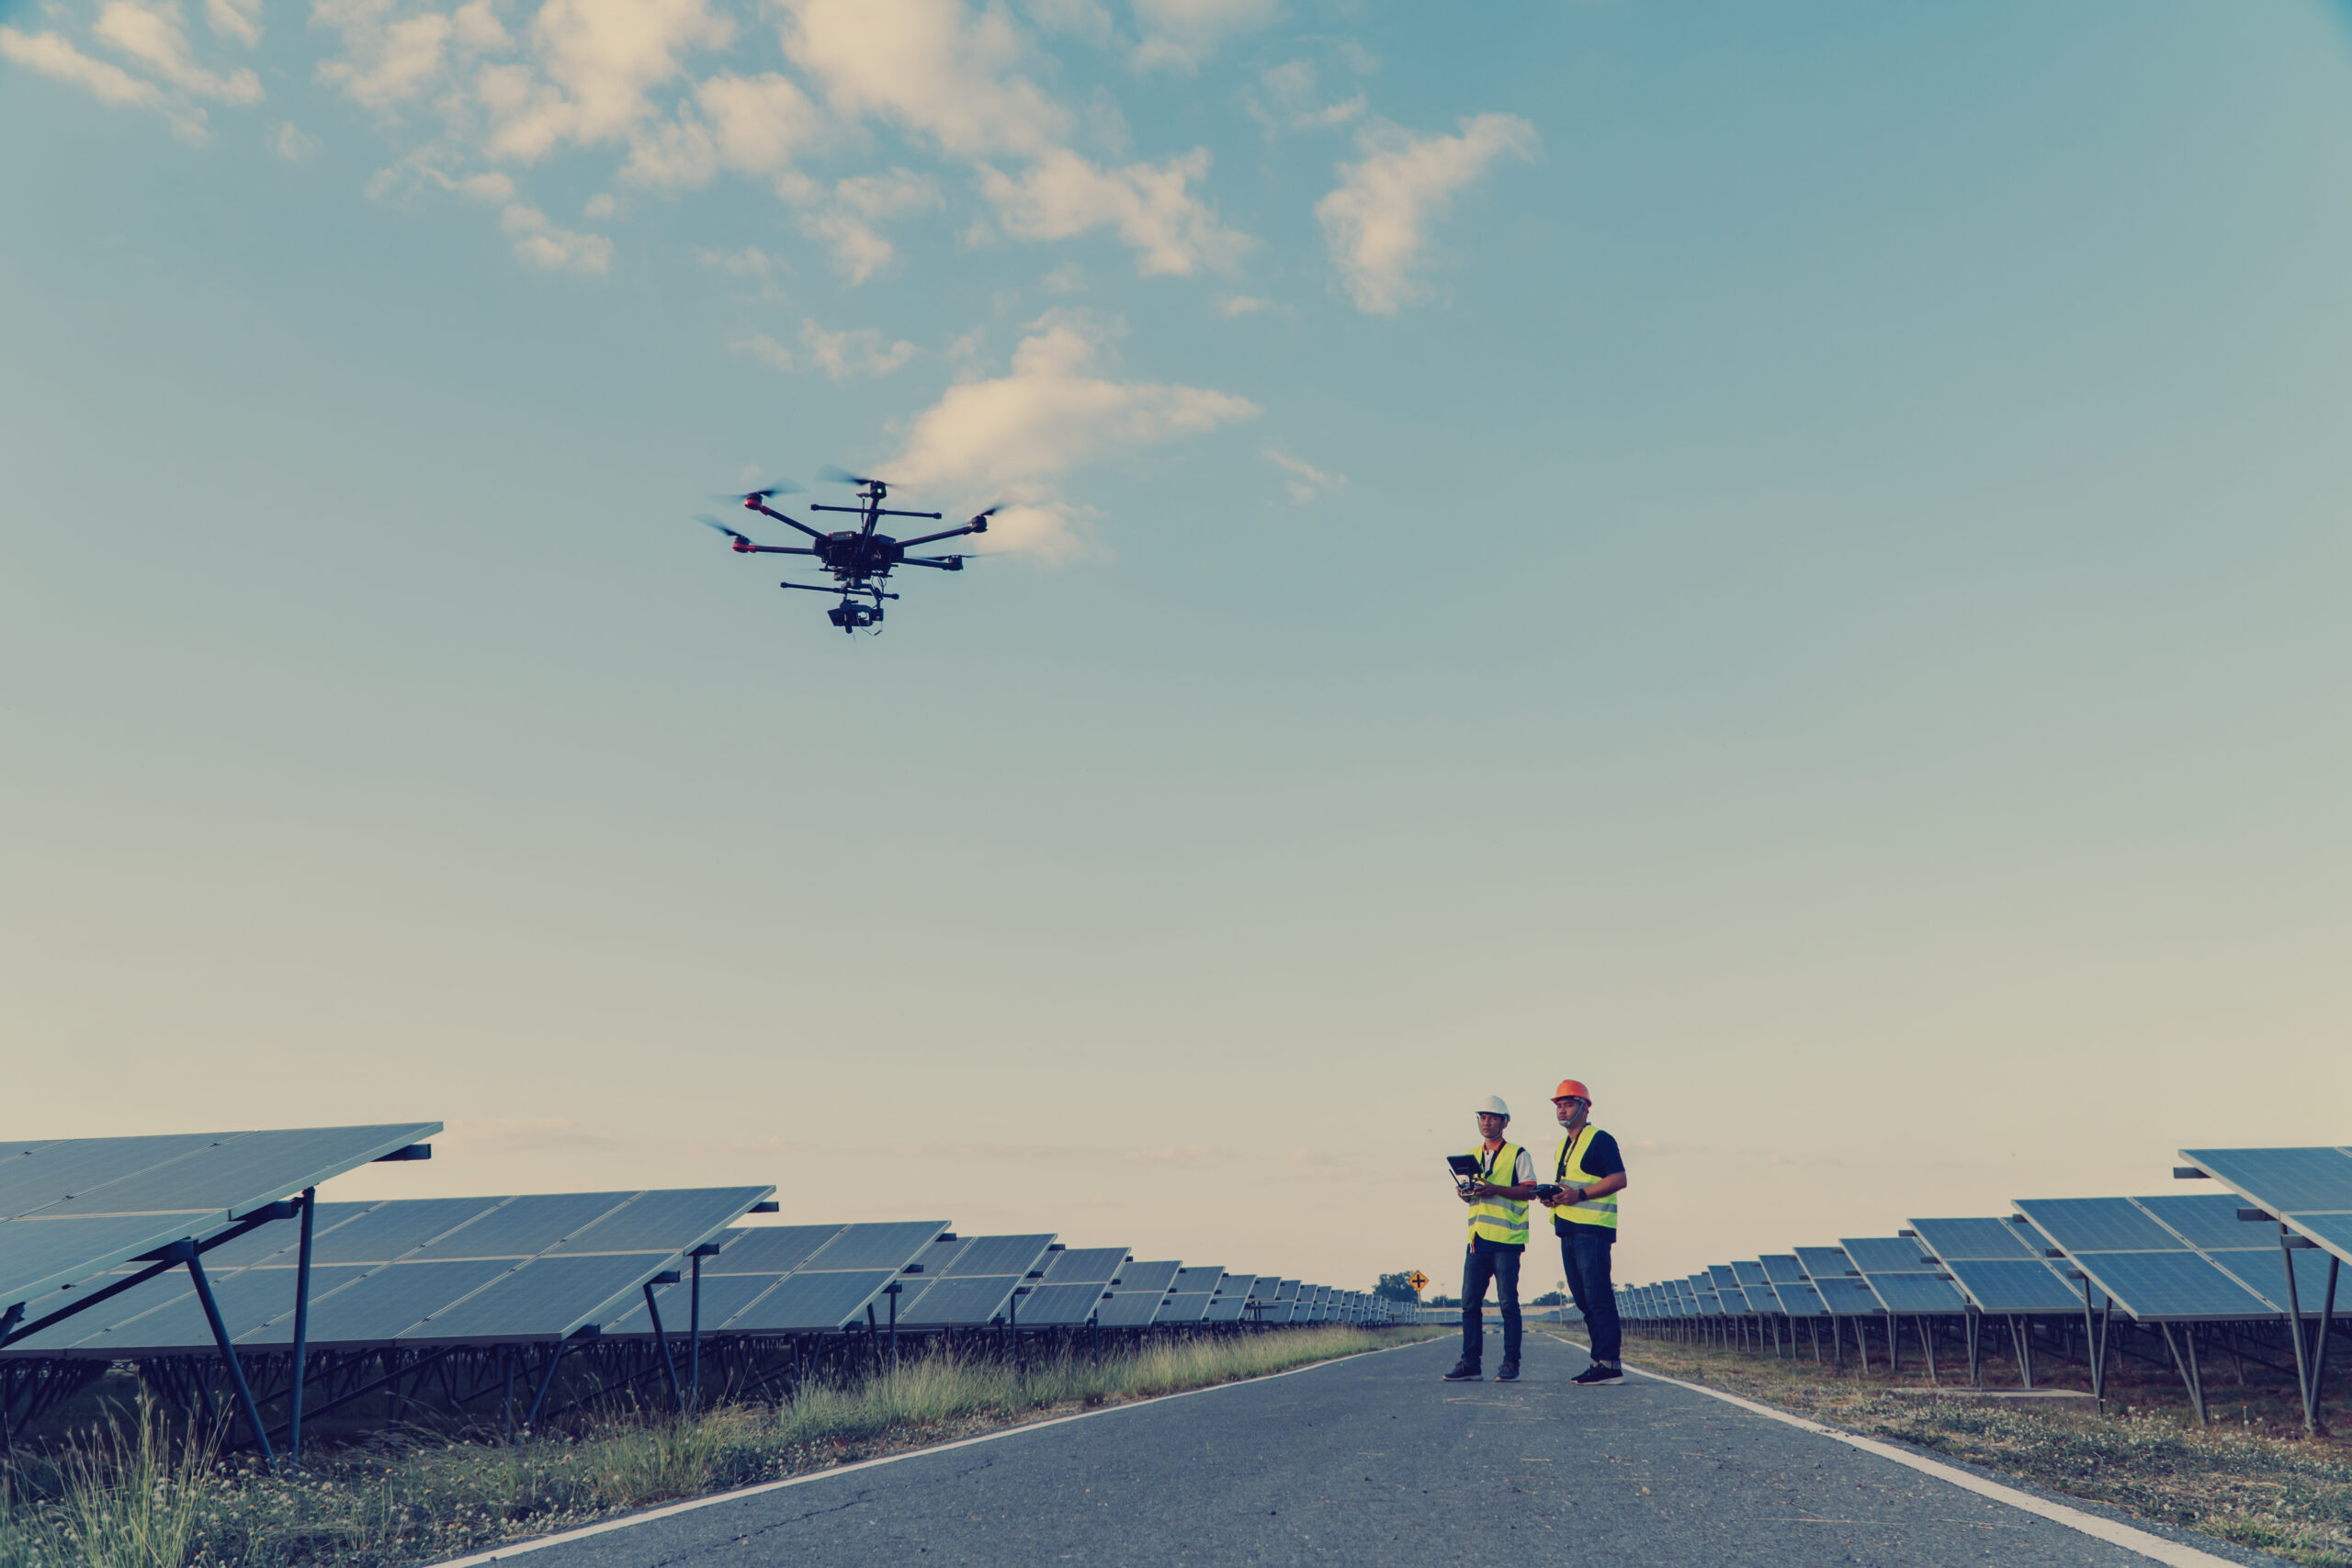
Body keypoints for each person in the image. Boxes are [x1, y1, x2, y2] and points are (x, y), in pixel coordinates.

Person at [1444, 1095, 1541, 1382]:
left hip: (1508, 1240)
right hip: (1477, 1239)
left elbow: (1530, 1190)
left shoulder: (1518, 1154)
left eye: (1493, 1118)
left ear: (1505, 1122)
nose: (1486, 1123)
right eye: (1482, 1118)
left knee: (1508, 1303)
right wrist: (1466, 1194)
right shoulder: (1472, 1155)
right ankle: (1470, 1363)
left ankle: (1511, 1363)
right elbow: (1473, 1196)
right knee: (1469, 1304)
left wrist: (1495, 1189)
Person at [1540, 1078, 1628, 1384]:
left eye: (1568, 1105)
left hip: (1593, 1229)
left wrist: (1581, 1195)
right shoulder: (1564, 1146)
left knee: (1598, 1295)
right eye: (1559, 1106)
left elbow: (1618, 1179)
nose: (1562, 1111)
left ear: (1585, 1107)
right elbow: (1570, 1185)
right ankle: (1599, 1361)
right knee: (1583, 1299)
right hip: (1569, 1229)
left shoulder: (1600, 1139)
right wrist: (1554, 1197)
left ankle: (1610, 1363)